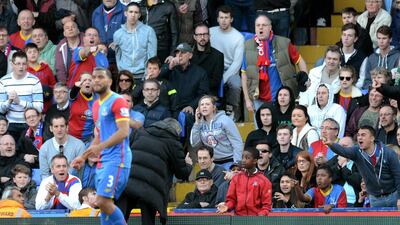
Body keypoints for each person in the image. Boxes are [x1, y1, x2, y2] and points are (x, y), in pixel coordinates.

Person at [71, 67, 132, 225]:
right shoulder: (96, 105)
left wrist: (101, 146)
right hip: (103, 160)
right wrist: (83, 157)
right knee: (103, 205)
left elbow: (124, 131)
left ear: (110, 82)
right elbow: (99, 134)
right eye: (93, 77)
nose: (95, 80)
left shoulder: (118, 100)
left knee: (102, 201)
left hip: (118, 158)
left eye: (100, 77)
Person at [117, 118, 192, 225]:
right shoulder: (174, 143)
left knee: (118, 219)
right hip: (151, 188)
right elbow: (182, 173)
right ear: (176, 132)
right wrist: (188, 164)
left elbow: (125, 153)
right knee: (148, 222)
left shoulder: (139, 132)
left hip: (128, 182)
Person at [242, 14, 307, 114]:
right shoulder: (248, 46)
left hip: (282, 99)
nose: (260, 27)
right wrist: (247, 99)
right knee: (262, 129)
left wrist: (304, 78)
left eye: (264, 25)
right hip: (259, 99)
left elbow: (300, 61)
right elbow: (244, 74)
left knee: (283, 129)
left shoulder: (284, 43)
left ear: (270, 27)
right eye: (258, 25)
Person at [323, 125, 400, 208]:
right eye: (358, 135)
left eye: (363, 135)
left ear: (372, 138)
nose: (359, 137)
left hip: (393, 196)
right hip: (375, 199)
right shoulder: (357, 152)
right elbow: (343, 151)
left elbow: (398, 176)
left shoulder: (388, 153)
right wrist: (331, 144)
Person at [210, 5, 244, 121]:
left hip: (230, 70)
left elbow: (237, 63)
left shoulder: (238, 37)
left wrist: (223, 78)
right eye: (221, 17)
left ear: (231, 19)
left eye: (226, 17)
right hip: (213, 69)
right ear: (217, 19)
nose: (223, 20)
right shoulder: (210, 32)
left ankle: (233, 110)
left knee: (235, 84)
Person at [0, 51, 43, 142]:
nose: (21, 67)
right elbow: (1, 109)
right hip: (10, 124)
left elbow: (39, 108)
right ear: (12, 64)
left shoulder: (34, 81)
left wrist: (20, 102)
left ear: (27, 64)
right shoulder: (4, 81)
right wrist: (9, 102)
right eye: (18, 63)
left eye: (24, 64)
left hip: (30, 123)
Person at [217, 147, 272, 216]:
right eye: (242, 157)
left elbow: (266, 206)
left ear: (255, 161)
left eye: (247, 158)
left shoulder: (264, 181)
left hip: (257, 220)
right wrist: (227, 206)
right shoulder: (236, 178)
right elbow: (231, 200)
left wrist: (261, 215)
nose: (243, 160)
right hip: (238, 218)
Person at [190, 95, 242, 168]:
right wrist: (197, 123)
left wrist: (236, 163)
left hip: (229, 161)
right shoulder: (198, 124)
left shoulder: (225, 120)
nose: (204, 106)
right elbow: (194, 144)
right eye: (202, 105)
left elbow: (237, 142)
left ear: (214, 107)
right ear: (198, 109)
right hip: (211, 163)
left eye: (207, 104)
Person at [113, 2, 157, 81]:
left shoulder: (148, 31)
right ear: (125, 13)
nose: (133, 15)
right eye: (131, 12)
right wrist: (121, 72)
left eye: (136, 12)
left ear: (139, 15)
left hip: (142, 75)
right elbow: (118, 56)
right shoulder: (118, 34)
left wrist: (147, 75)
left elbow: (152, 56)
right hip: (124, 75)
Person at [39, 114, 86, 179]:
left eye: (62, 126)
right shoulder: (44, 148)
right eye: (56, 126)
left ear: (67, 127)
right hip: (51, 186)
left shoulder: (79, 145)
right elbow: (44, 174)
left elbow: (80, 173)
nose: (59, 129)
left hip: (73, 184)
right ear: (51, 128)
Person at [327, 137, 362, 207]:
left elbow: (358, 182)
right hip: (334, 202)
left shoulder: (360, 160)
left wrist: (344, 167)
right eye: (339, 146)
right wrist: (338, 165)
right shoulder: (334, 160)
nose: (341, 149)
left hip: (353, 202)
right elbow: (326, 179)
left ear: (354, 148)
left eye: (344, 146)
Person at [191, 23, 224, 97]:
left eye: (205, 34)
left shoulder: (218, 55)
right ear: (194, 37)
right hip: (190, 93)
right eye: (199, 35)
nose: (202, 37)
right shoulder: (188, 54)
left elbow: (216, 81)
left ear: (209, 36)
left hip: (208, 93)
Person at [25, 42, 56, 113]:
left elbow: (53, 84)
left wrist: (47, 90)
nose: (32, 54)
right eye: (29, 52)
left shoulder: (46, 68)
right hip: (31, 107)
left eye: (35, 51)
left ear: (39, 53)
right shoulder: (24, 70)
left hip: (47, 105)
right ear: (25, 55)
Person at [92, 0, 126, 65]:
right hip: (100, 59)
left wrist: (119, 42)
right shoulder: (96, 12)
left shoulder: (126, 11)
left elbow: (132, 34)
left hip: (120, 60)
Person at [68, 73, 98, 145]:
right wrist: (76, 86)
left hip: (88, 140)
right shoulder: (75, 94)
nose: (87, 82)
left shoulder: (97, 98)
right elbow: (72, 94)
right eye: (84, 80)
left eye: (90, 80)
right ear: (79, 83)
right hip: (72, 138)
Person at [338, 23, 368, 89]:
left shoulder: (362, 57)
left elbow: (362, 80)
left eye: (350, 35)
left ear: (355, 39)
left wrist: (350, 89)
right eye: (344, 35)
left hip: (354, 92)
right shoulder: (334, 53)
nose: (346, 38)